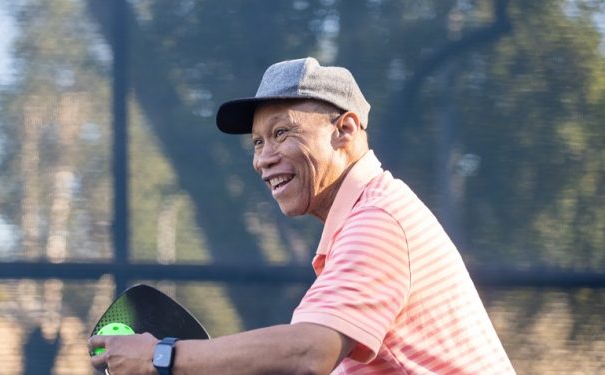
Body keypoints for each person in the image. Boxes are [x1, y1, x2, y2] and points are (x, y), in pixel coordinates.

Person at [89, 57, 515, 374]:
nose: (263, 159)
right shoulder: (369, 215)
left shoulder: (378, 222)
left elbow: (310, 351)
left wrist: (160, 356)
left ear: (345, 130)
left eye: (281, 133)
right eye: (257, 143)